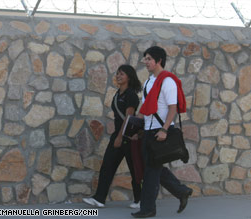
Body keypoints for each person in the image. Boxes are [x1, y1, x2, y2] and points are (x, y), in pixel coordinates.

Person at [131, 46, 193, 218]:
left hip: (160, 131)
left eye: (149, 58)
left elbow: (173, 109)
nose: (146, 62)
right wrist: (137, 128)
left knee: (151, 171)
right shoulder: (149, 81)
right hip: (148, 130)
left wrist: (164, 129)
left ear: (159, 61)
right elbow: (145, 109)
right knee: (153, 167)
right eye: (145, 58)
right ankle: (181, 191)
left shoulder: (168, 81)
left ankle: (148, 209)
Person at [83, 65, 142, 209]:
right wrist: (117, 136)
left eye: (122, 74)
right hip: (118, 134)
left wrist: (120, 137)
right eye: (117, 74)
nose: (118, 76)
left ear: (129, 76)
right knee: (107, 166)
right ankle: (99, 199)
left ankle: (140, 200)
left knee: (135, 169)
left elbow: (128, 118)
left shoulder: (131, 95)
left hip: (126, 136)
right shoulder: (118, 94)